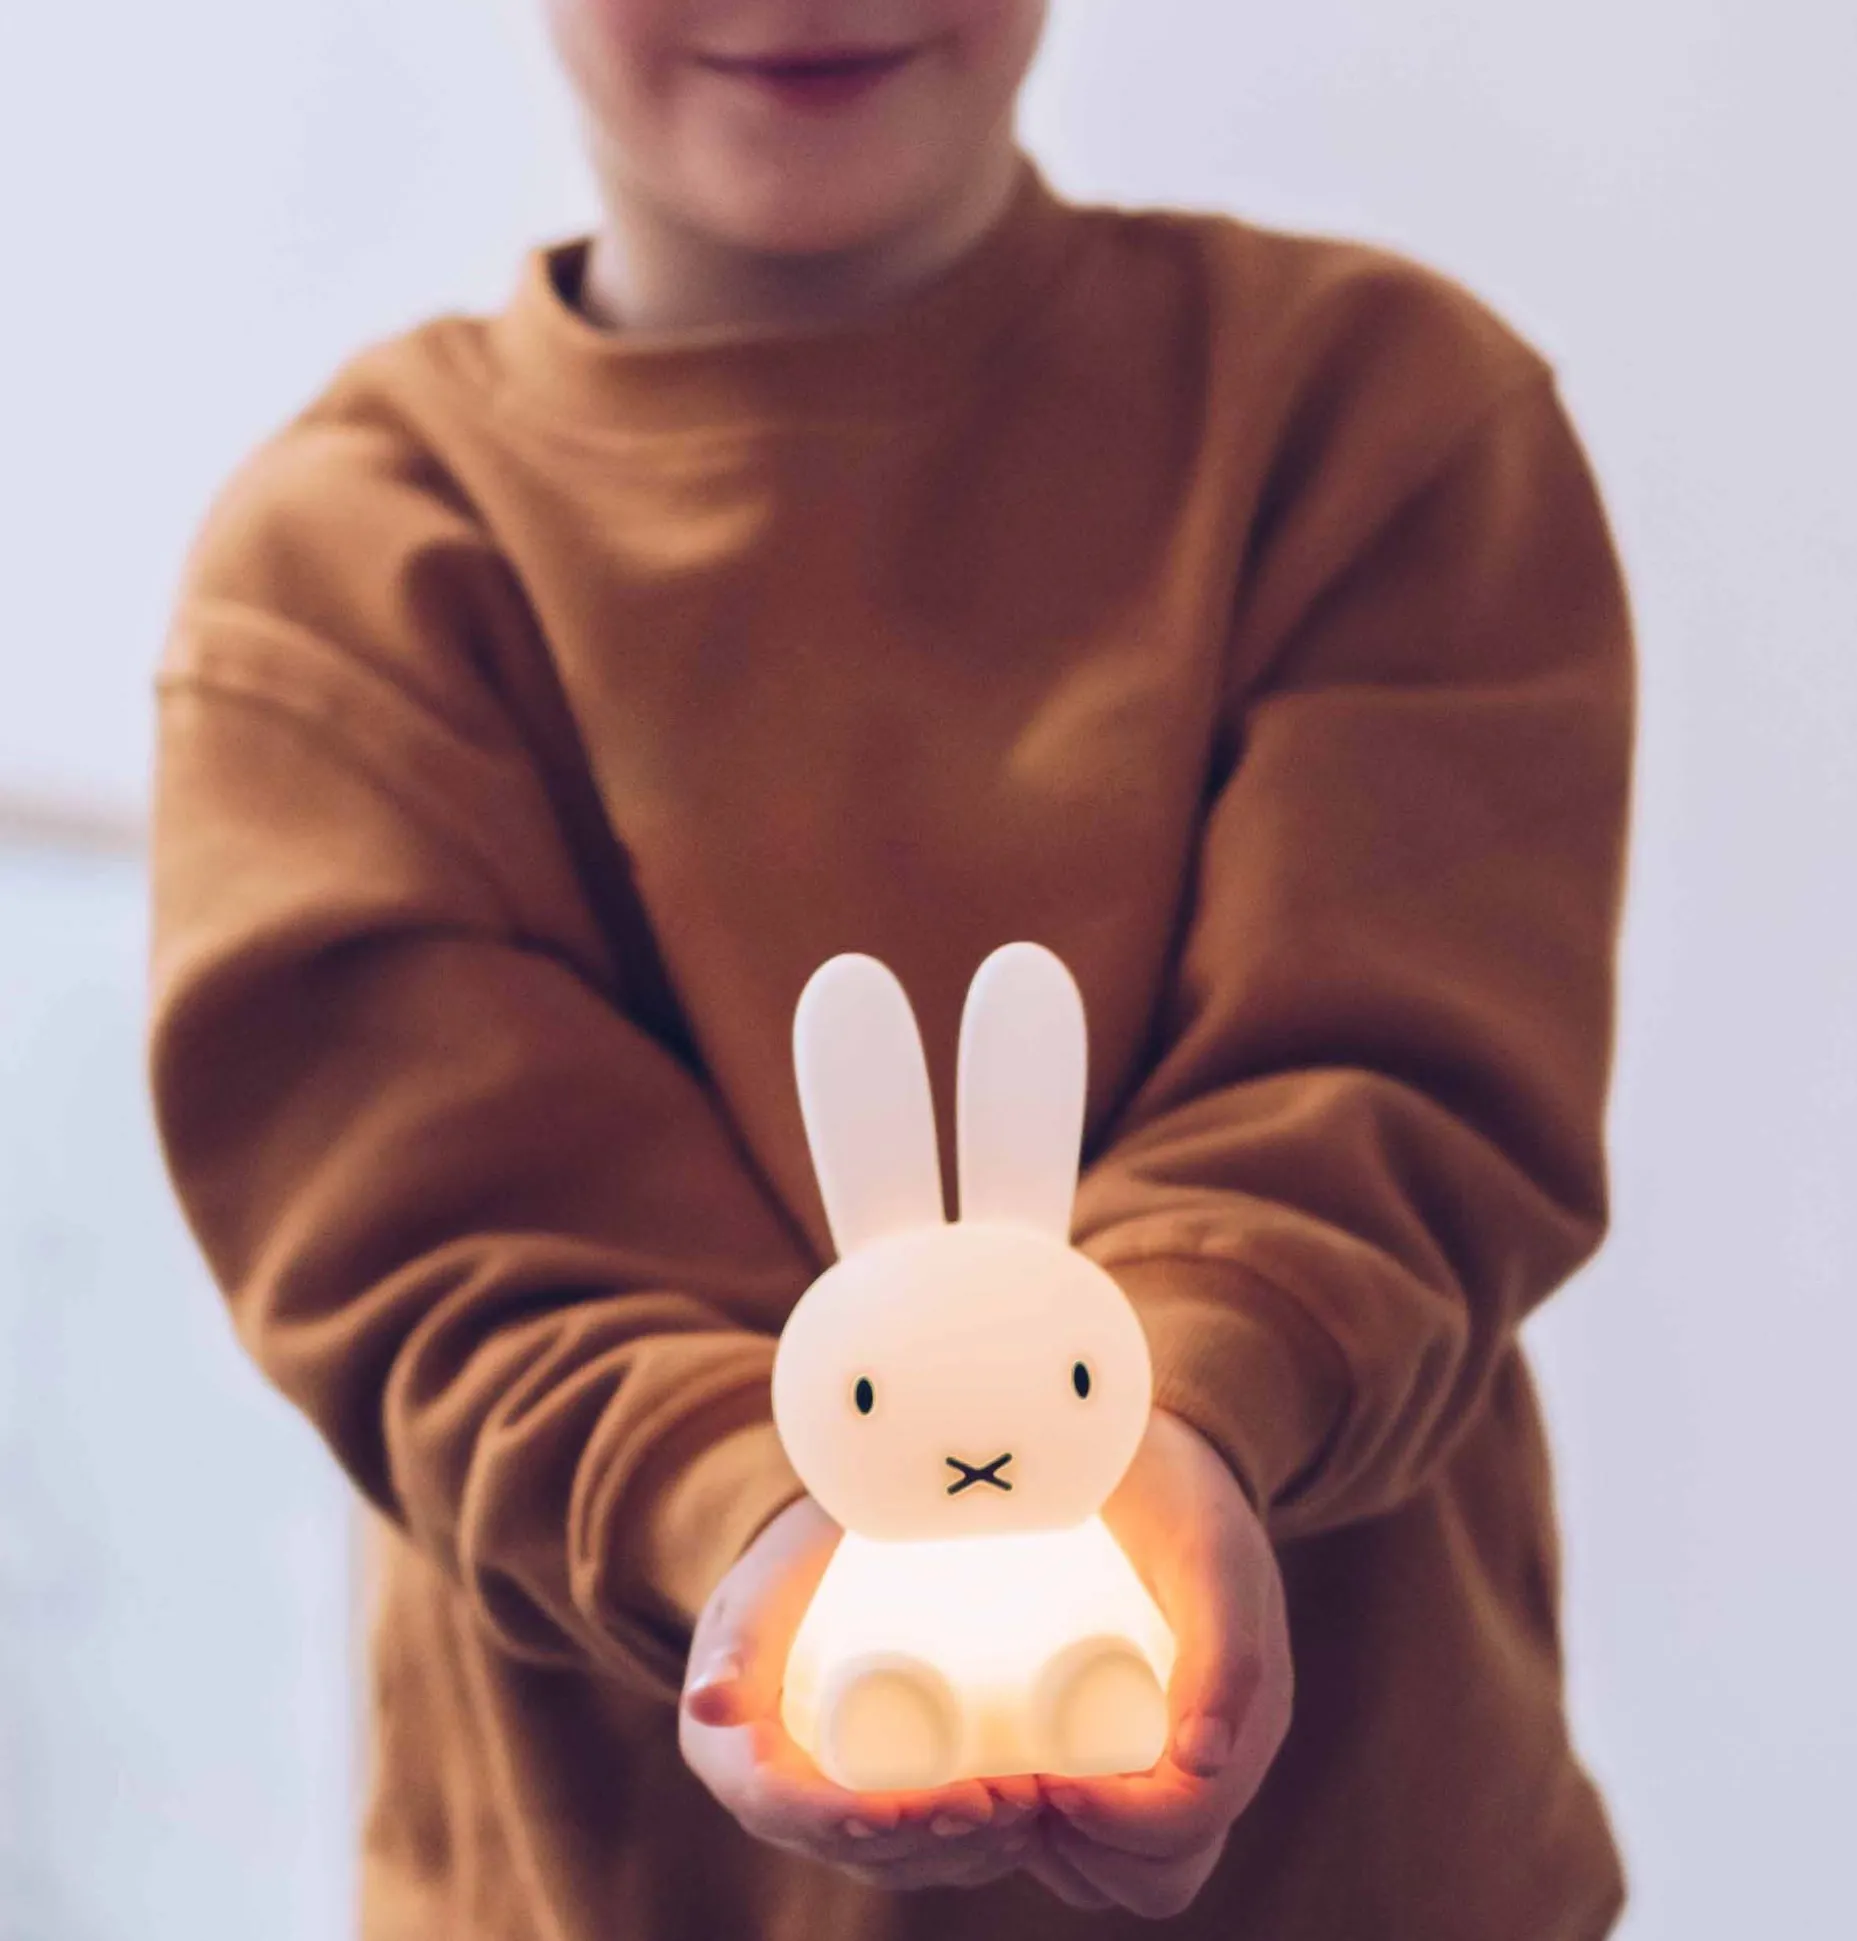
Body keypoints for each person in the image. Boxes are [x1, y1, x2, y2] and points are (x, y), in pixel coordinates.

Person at [143, 3, 1636, 1935]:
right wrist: (751, 1513)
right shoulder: (344, 575)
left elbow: (1395, 1079)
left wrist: (1167, 1416)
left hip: (1354, 1878)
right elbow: (434, 1244)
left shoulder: (1375, 423)